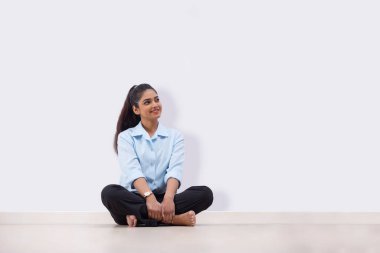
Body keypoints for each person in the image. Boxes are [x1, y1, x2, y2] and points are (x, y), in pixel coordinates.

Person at [101, 83, 213, 227]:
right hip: (135, 197)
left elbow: (175, 170)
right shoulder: (126, 137)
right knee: (109, 193)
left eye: (156, 99)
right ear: (136, 109)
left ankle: (139, 216)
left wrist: (168, 199)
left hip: (163, 199)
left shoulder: (175, 136)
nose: (155, 104)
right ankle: (173, 219)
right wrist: (149, 198)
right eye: (147, 102)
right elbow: (133, 171)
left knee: (205, 194)